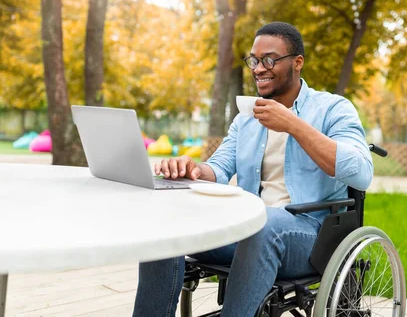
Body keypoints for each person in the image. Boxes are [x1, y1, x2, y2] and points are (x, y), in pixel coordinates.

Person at [133, 21, 373, 316]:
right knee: (165, 220)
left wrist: (292, 125)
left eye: (269, 59)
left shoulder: (334, 109)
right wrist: (191, 169)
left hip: (310, 236)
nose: (259, 68)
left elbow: (362, 172)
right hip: (245, 228)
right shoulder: (246, 118)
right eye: (254, 60)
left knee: (262, 224)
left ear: (297, 63)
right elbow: (219, 168)